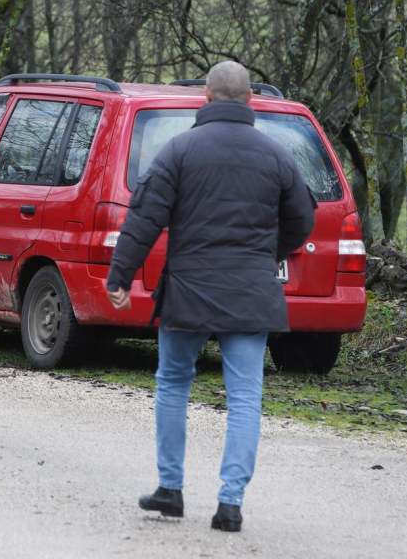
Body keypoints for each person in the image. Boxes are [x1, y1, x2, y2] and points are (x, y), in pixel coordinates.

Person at [105, 61, 316, 532]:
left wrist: (119, 276)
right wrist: (266, 254)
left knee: (173, 382)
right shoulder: (278, 156)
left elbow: (144, 218)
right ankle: (230, 505)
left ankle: (170, 489)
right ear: (250, 99)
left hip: (189, 290)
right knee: (245, 397)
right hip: (251, 292)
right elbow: (303, 220)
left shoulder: (178, 150)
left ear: (206, 95)